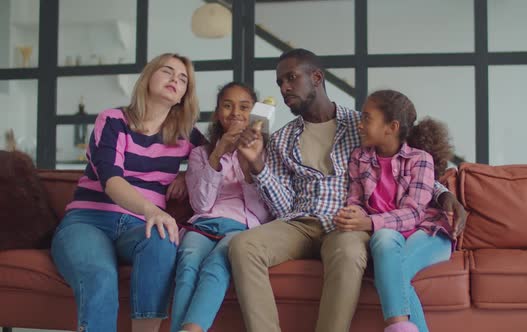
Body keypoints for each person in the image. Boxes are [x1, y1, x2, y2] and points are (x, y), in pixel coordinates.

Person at [231, 48, 466, 332]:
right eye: (280, 82)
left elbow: (403, 165)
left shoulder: (363, 126)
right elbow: (283, 207)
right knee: (243, 246)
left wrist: (445, 194)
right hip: (300, 223)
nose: (284, 87)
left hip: (346, 225)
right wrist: (257, 163)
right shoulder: (281, 139)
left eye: (291, 78)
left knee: (349, 253)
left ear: (316, 77)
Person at [50, 53, 206, 332]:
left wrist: (187, 172)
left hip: (138, 228)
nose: (175, 80)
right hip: (88, 221)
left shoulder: (186, 135)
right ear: (148, 79)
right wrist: (152, 210)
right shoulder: (113, 121)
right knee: (101, 274)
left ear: (184, 94)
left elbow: (214, 160)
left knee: (163, 239)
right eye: (167, 72)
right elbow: (111, 179)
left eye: (183, 79)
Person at [335, 90, 454, 332]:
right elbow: (355, 198)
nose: (360, 124)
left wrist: (367, 222)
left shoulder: (421, 159)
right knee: (384, 238)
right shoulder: (360, 157)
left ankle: (398, 326)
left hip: (427, 233)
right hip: (388, 236)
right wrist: (352, 215)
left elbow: (414, 213)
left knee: (391, 272)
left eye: (367, 118)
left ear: (392, 126)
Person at [171, 82, 271, 332]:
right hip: (204, 224)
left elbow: (262, 212)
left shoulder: (265, 154)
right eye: (227, 106)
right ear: (217, 114)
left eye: (244, 107)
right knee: (188, 261)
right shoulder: (200, 154)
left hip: (241, 228)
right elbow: (201, 204)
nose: (235, 112)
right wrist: (217, 154)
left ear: (254, 114)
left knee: (218, 263)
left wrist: (250, 164)